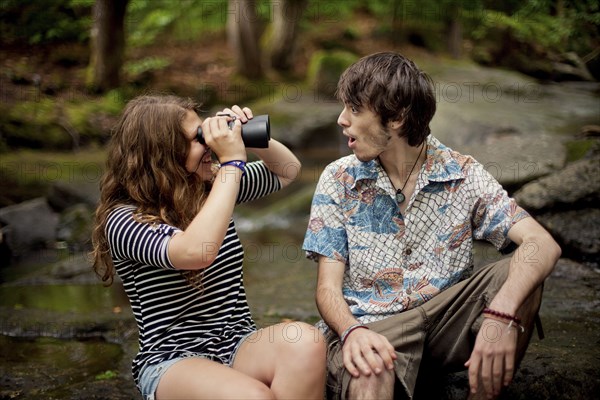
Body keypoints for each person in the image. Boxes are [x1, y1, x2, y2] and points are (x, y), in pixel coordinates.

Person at [303, 52, 561, 400]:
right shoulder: (339, 178)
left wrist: (500, 316)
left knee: (523, 274)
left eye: (354, 109)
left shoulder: (463, 173)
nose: (341, 120)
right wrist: (351, 332)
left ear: (396, 118)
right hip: (374, 327)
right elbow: (327, 290)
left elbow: (542, 243)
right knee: (371, 370)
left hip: (445, 322)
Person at [91, 95, 326, 400]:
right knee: (253, 397)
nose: (209, 144)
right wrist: (231, 164)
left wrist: (245, 134)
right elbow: (194, 253)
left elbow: (286, 170)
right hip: (173, 360)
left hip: (239, 343)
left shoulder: (210, 187)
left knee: (307, 342)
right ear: (163, 153)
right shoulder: (123, 219)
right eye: (197, 138)